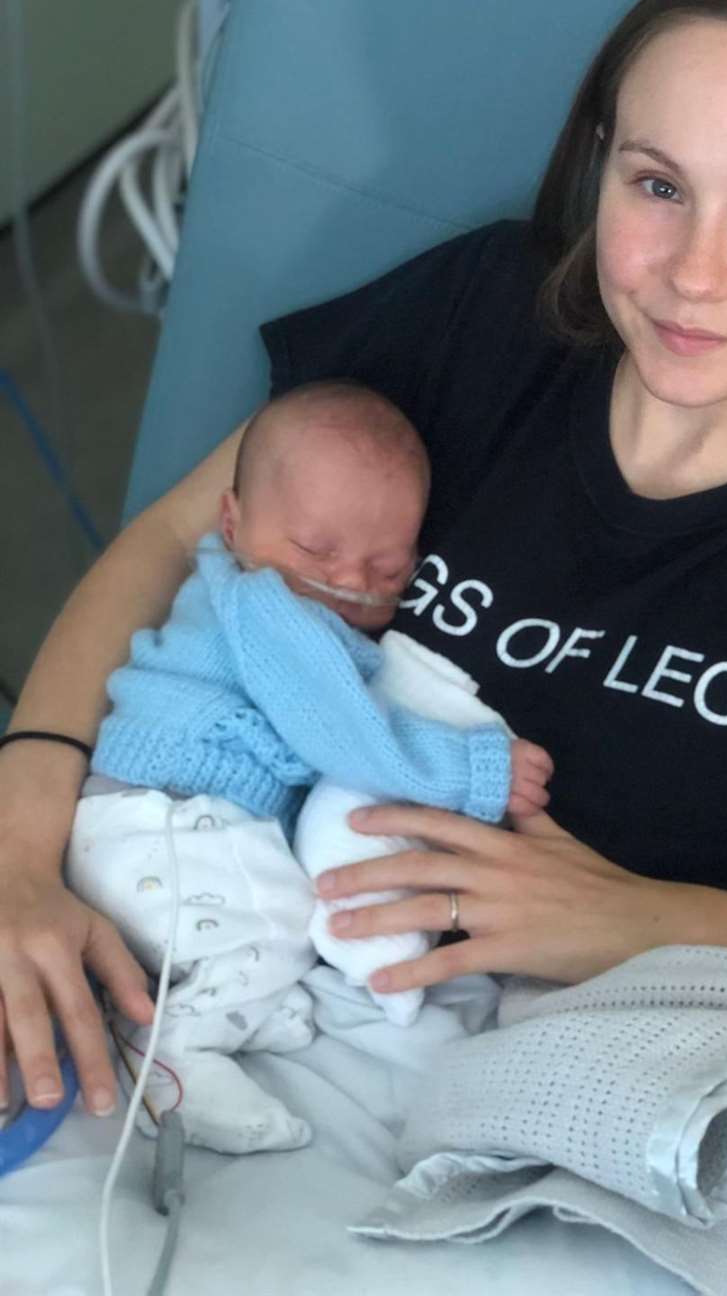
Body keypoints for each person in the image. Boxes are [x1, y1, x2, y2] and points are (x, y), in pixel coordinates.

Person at [3, 0, 727, 1136]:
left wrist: (654, 916)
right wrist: (15, 852)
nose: (692, 274)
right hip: (210, 993)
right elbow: (172, 545)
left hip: (618, 1100)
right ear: (602, 169)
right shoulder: (475, 323)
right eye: (658, 186)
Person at [61, 379, 553, 1151]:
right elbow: (345, 735)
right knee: (283, 921)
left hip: (145, 830)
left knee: (270, 913)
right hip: (169, 821)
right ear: (231, 521)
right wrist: (474, 770)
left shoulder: (271, 593)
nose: (349, 583)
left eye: (389, 571)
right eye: (317, 550)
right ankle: (177, 1052)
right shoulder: (263, 606)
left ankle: (234, 1000)